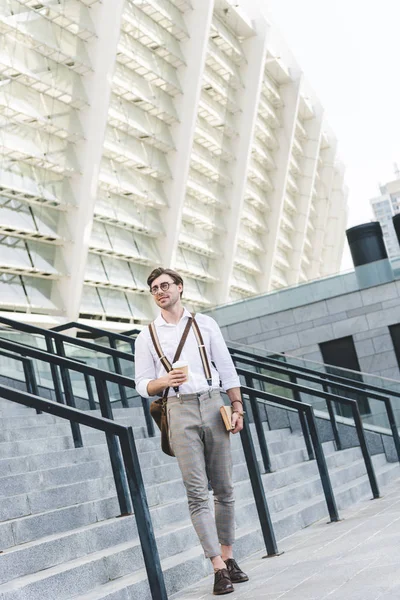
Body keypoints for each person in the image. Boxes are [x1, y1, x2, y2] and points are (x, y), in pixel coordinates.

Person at [135, 267, 249, 595]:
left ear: (180, 288)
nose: (160, 291)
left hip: (214, 405)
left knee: (225, 488)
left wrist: (237, 406)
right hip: (178, 409)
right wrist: (162, 382)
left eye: (165, 285)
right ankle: (216, 566)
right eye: (154, 288)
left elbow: (227, 368)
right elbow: (141, 383)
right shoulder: (147, 335)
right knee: (197, 492)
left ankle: (229, 557)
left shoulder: (205, 324)